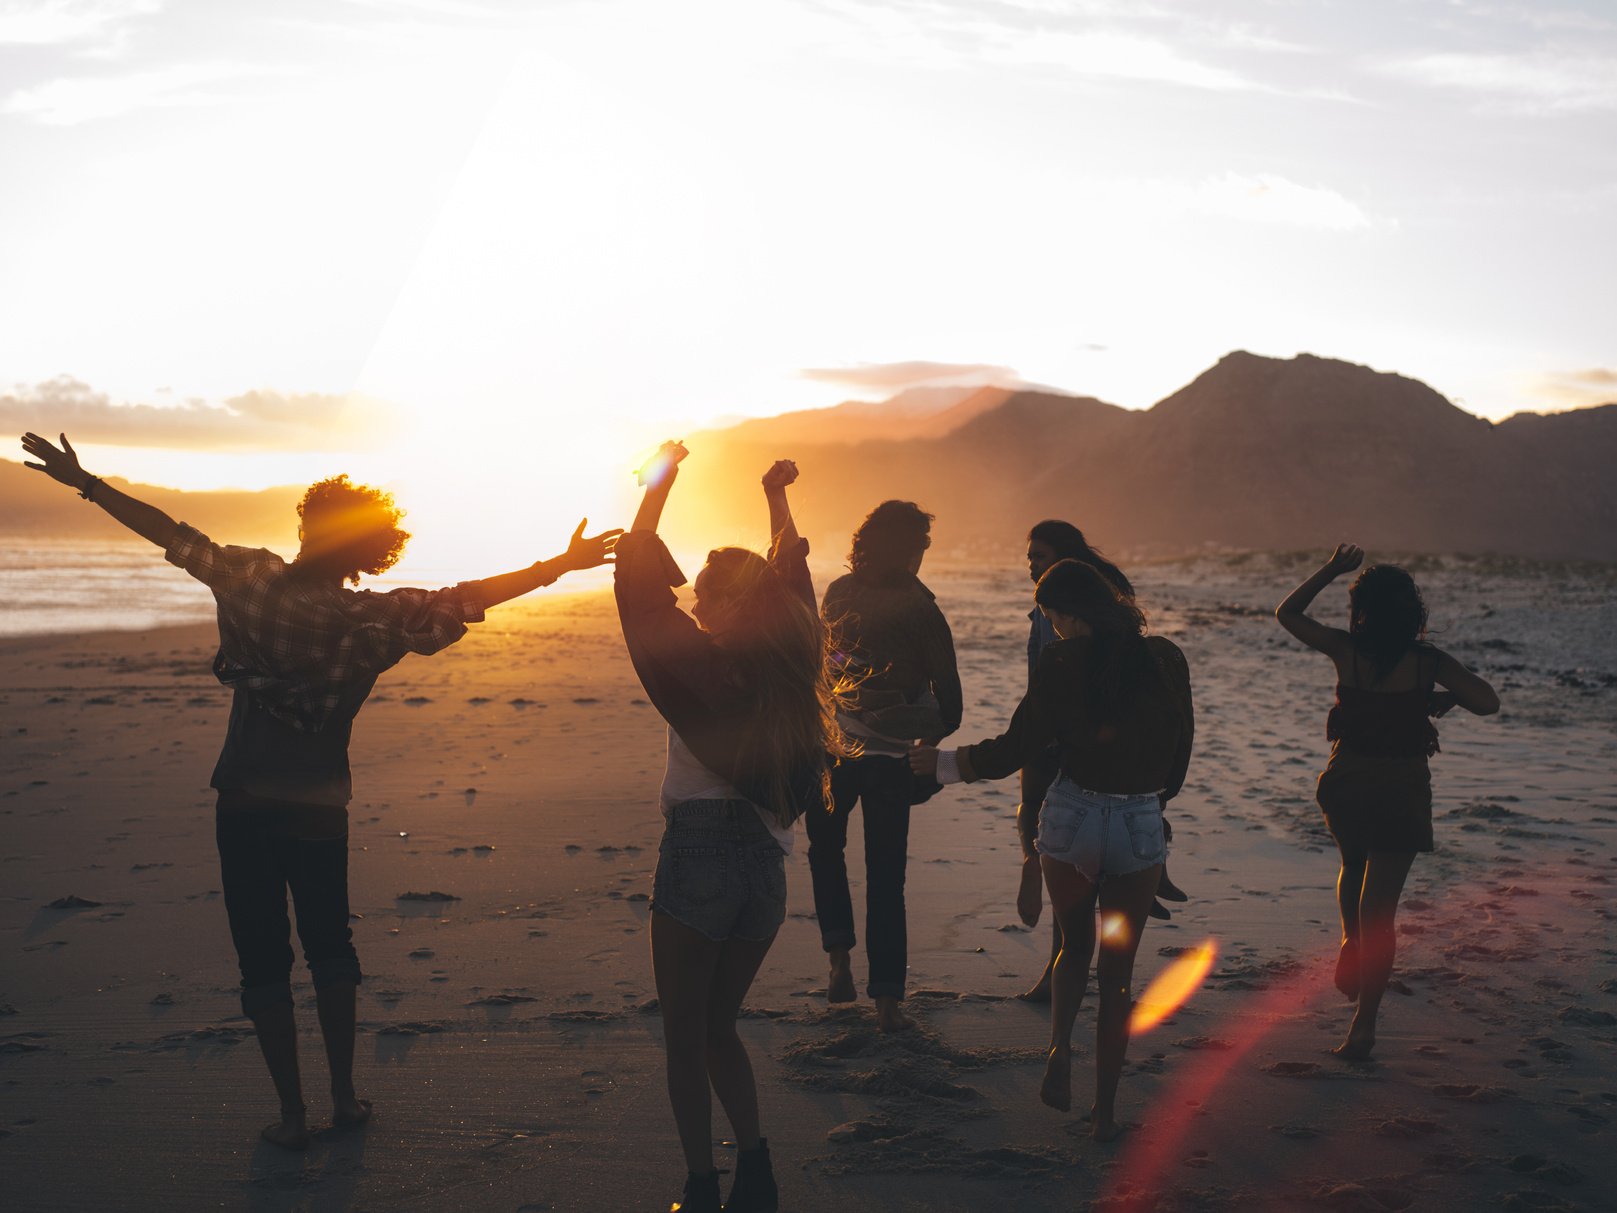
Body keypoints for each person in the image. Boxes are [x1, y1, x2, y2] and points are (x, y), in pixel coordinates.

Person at [18, 432, 621, 1150]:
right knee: (331, 946)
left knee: (262, 955)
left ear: (307, 525)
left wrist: (87, 483)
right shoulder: (373, 618)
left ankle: (293, 1114)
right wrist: (559, 565)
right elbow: (465, 597)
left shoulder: (249, 580)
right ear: (372, 552)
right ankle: (343, 1097)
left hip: (242, 797)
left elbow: (169, 533)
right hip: (317, 806)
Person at [614, 441, 839, 1213]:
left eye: (706, 594)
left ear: (725, 605)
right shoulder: (791, 662)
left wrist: (657, 484)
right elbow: (793, 580)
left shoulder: (703, 670)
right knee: (720, 1027)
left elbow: (641, 593)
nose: (696, 605)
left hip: (700, 858)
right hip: (767, 874)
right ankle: (757, 1169)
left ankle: (701, 1189)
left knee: (685, 1036)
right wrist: (774, 496)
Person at [910, 559, 1192, 1140]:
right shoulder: (1165, 658)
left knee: (1072, 946)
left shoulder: (1060, 659)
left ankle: (1060, 1051)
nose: (1051, 628)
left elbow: (1020, 744)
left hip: (1074, 821)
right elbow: (1180, 747)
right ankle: (1105, 1114)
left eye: (1049, 617)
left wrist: (945, 764)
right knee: (1118, 975)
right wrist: (1153, 806)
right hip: (1139, 822)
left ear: (1066, 614)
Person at [1276, 544, 1498, 1059]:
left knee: (1353, 863)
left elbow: (1287, 613)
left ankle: (1348, 942)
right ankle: (1364, 1026)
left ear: (1362, 611)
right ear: (1413, 613)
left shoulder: (1346, 651)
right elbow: (1489, 701)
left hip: (1347, 778)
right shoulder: (1428, 663)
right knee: (1383, 914)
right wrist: (1447, 697)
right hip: (1401, 787)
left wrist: (1332, 568)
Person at [1015, 522, 1184, 1004]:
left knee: (1060, 847)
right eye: (1029, 556)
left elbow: (1057, 673)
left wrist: (955, 763)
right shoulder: (1092, 599)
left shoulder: (1065, 609)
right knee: (1085, 839)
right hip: (1078, 732)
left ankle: (1059, 966)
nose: (1030, 564)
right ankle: (1148, 870)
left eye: (1039, 555)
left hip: (1066, 733)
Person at [809, 500, 962, 1033]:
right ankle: (888, 1001)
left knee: (825, 850)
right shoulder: (922, 609)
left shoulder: (838, 592)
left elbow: (826, 668)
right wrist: (925, 739)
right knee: (885, 879)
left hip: (834, 752)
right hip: (892, 764)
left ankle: (838, 960)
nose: (923, 555)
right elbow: (953, 704)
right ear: (905, 547)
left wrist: (852, 709)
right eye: (920, 545)